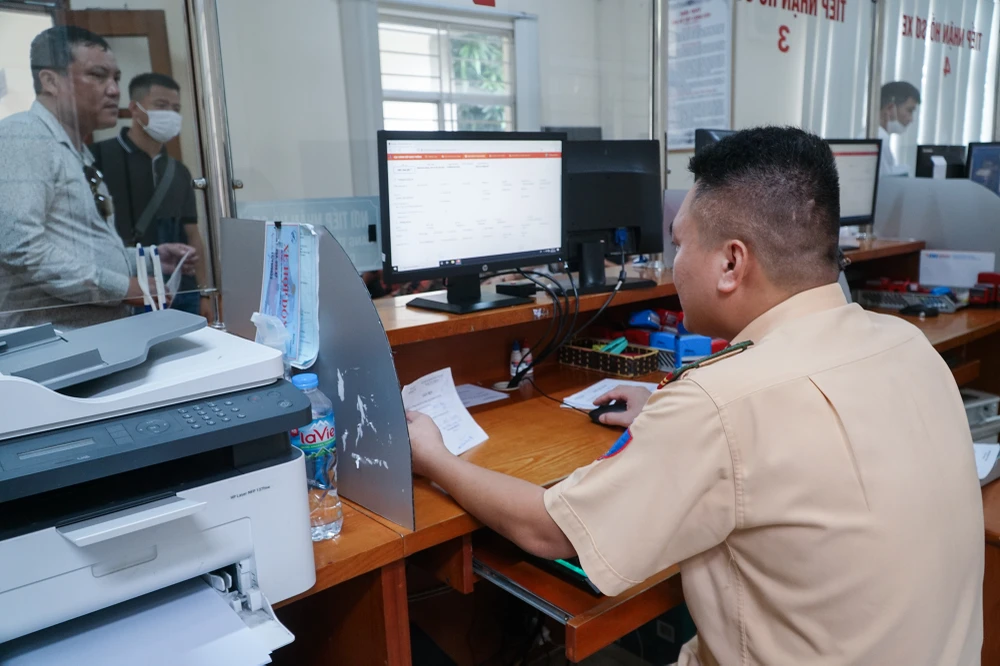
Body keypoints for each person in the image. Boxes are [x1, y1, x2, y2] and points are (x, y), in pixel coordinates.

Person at [407, 127, 983, 664]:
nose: (673, 263)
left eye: (679, 244)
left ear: (731, 262)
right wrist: (668, 414)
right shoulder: (906, 343)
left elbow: (550, 530)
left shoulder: (720, 404)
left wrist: (434, 457)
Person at [0, 27, 194, 329]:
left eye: (116, 78)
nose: (114, 90)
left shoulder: (77, 151)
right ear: (50, 81)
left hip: (88, 338)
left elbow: (84, 249)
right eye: (98, 76)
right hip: (51, 343)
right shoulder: (24, 136)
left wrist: (149, 258)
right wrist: (123, 288)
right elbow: (21, 248)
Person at [91, 72, 210, 318]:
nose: (170, 114)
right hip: (127, 290)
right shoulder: (98, 157)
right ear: (135, 108)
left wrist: (204, 293)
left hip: (180, 291)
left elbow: (191, 234)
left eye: (176, 108)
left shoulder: (177, 170)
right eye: (161, 105)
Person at [878, 81, 921, 176]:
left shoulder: (880, 138)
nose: (911, 119)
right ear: (890, 109)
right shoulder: (880, 141)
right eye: (909, 110)